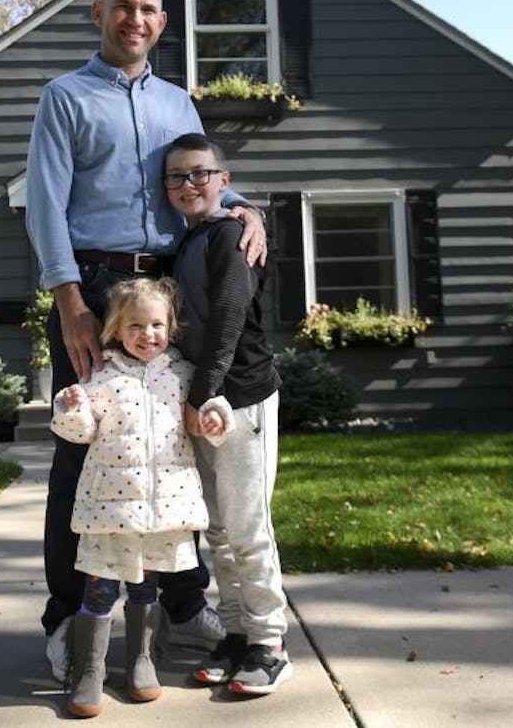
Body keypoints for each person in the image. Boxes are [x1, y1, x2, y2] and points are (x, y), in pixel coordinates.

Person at [24, 0, 267, 680]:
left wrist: (246, 206)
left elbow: (200, 175)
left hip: (167, 286)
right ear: (99, 13)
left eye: (148, 10)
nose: (134, 19)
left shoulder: (177, 102)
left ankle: (184, 612)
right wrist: (69, 297)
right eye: (122, 7)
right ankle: (70, 618)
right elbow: (44, 201)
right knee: (83, 451)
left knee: (175, 447)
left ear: (162, 23)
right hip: (95, 291)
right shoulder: (64, 98)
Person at [50, 277, 232, 717]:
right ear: (115, 329)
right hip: (110, 510)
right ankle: (90, 670)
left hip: (161, 509)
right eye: (134, 326)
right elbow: (80, 431)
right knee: (99, 589)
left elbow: (201, 417)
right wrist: (71, 408)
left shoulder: (182, 374)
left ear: (170, 325)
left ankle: (141, 662)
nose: (147, 334)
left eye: (156, 324)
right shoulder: (101, 376)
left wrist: (214, 417)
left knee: (145, 588)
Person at [165, 133, 294, 695]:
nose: (189, 184)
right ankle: (237, 632)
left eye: (200, 173)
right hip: (203, 396)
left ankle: (270, 641)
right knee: (217, 530)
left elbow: (231, 314)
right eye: (177, 177)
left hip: (240, 395)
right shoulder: (188, 241)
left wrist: (204, 392)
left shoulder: (232, 234)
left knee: (247, 526)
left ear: (223, 178)